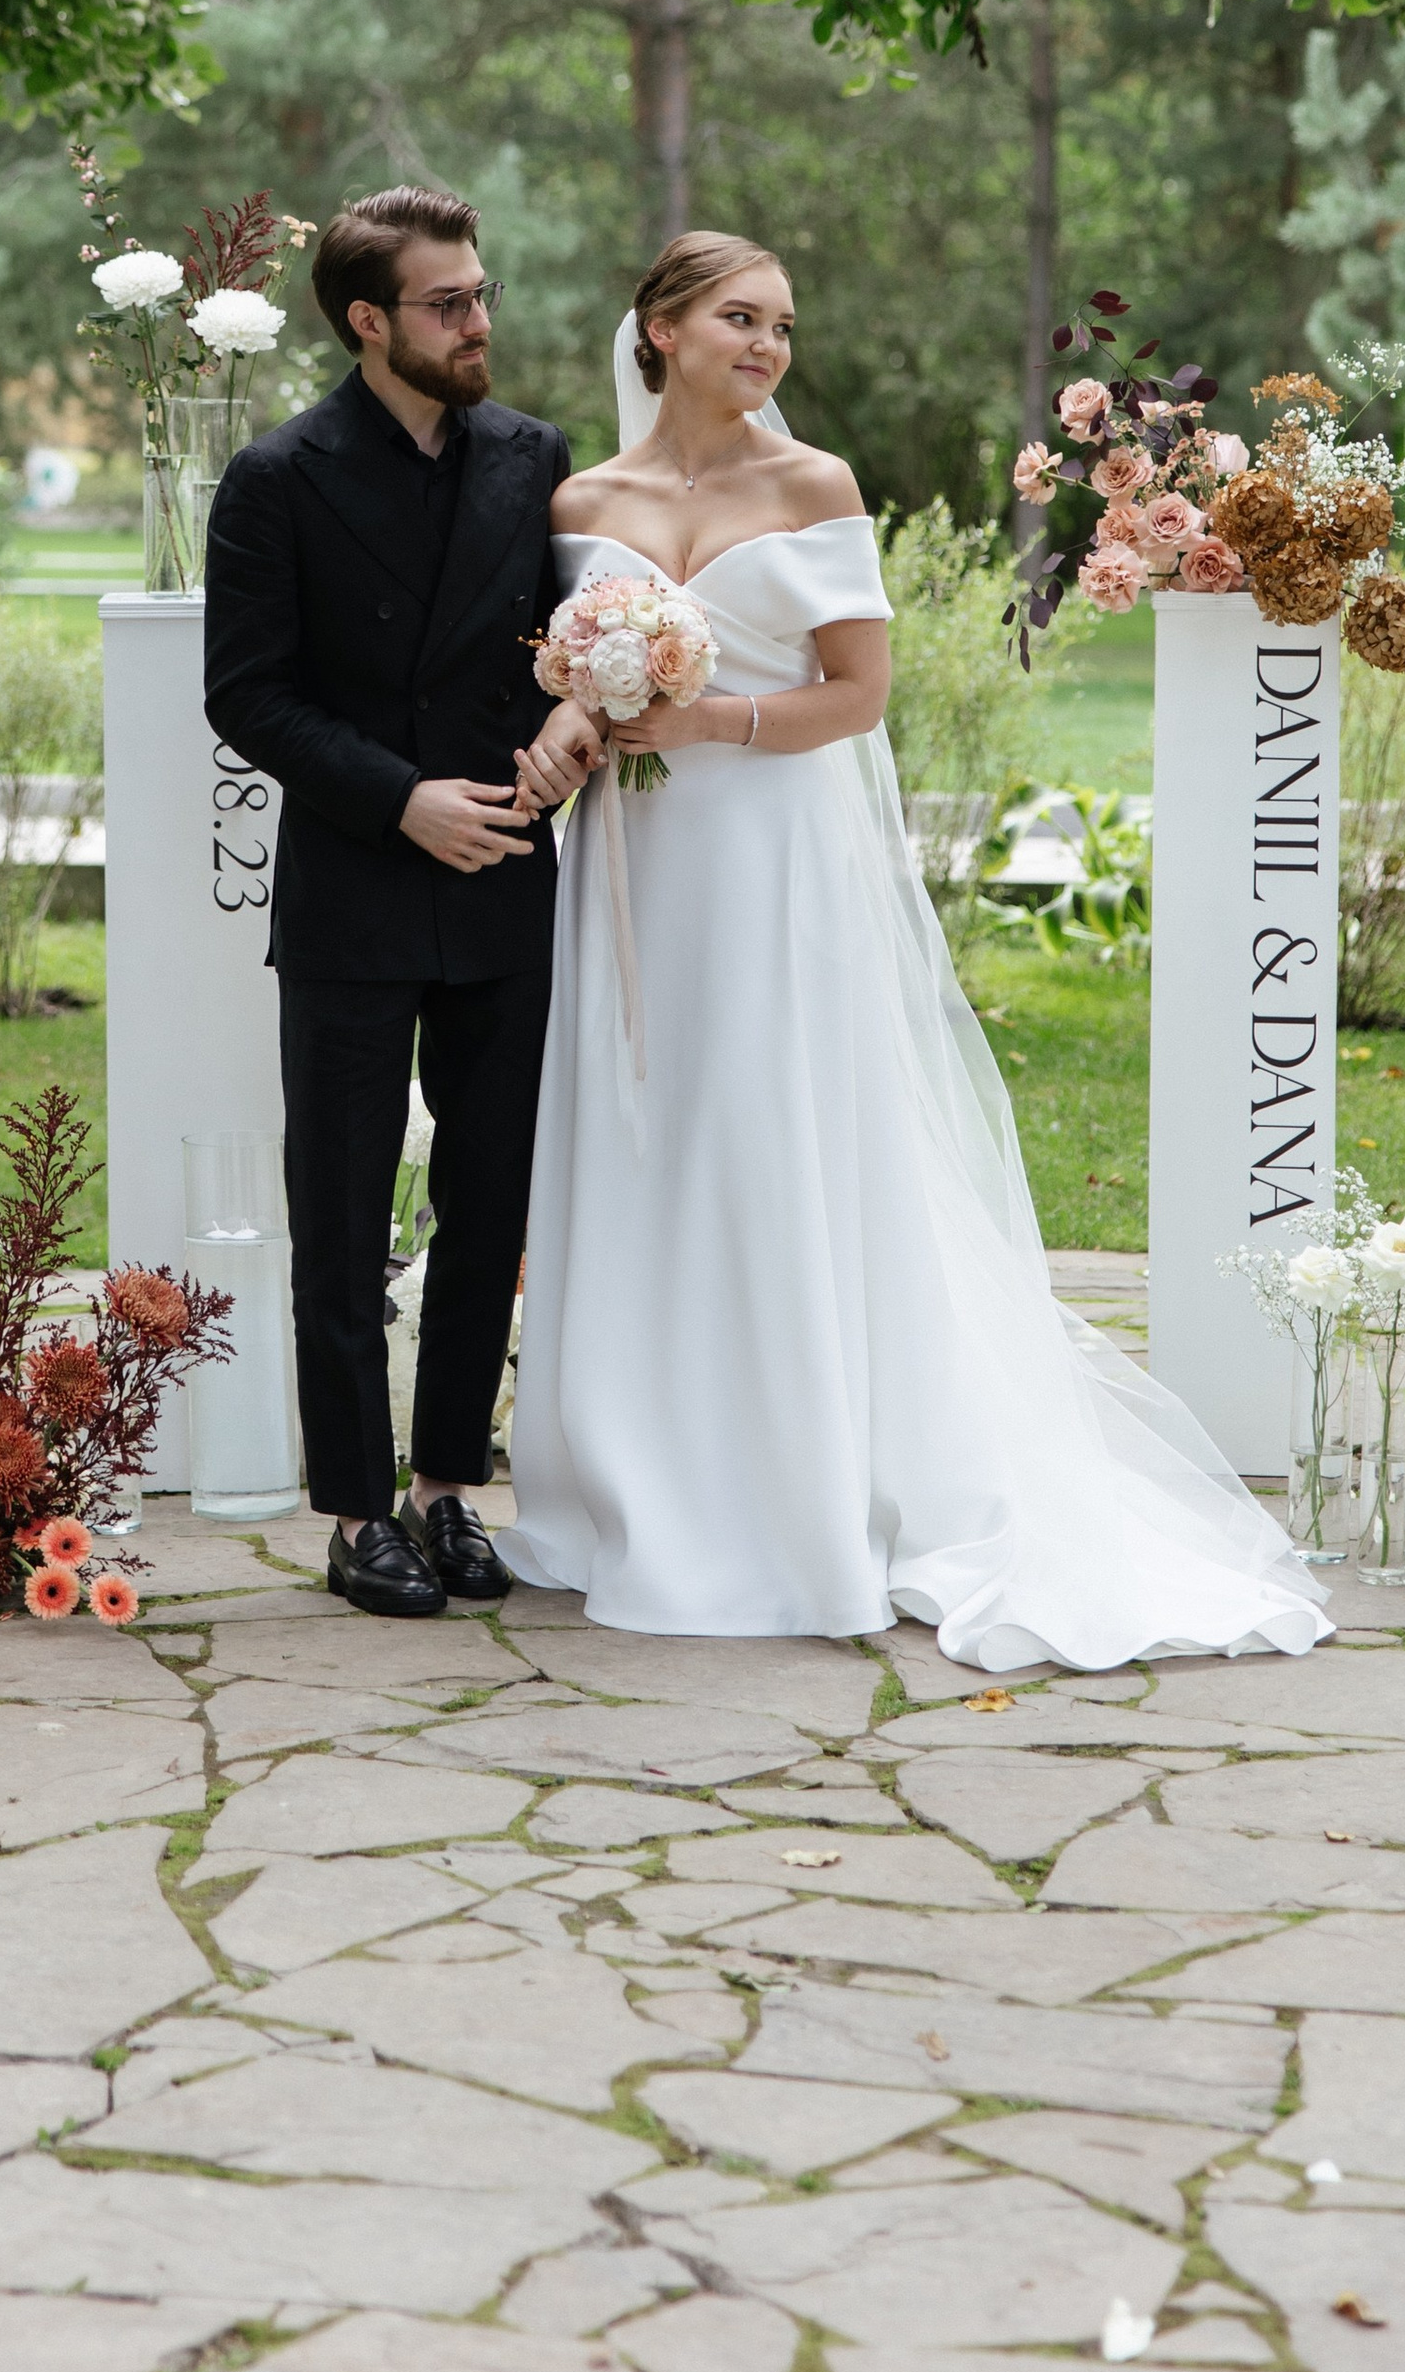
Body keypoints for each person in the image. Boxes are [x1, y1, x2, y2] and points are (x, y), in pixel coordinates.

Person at [498, 231, 1334, 1670]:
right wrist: (578, 715)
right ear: (660, 329)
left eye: (782, 325)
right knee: (644, 1136)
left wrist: (709, 720)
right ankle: (630, 1477)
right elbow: (564, 664)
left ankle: (799, 1482)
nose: (766, 346)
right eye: (738, 320)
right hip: (634, 869)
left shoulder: (811, 485)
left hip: (770, 865)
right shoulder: (584, 497)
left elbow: (857, 695)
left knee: (771, 1136)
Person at [203, 186, 569, 1620]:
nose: (480, 322)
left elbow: (564, 651)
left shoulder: (533, 458)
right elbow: (247, 694)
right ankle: (358, 1512)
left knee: (491, 1208)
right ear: (370, 322)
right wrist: (396, 796)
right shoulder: (278, 478)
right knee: (343, 1216)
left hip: (503, 877)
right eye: (447, 304)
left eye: (480, 295)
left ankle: (446, 1494)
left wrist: (565, 744)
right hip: (359, 882)